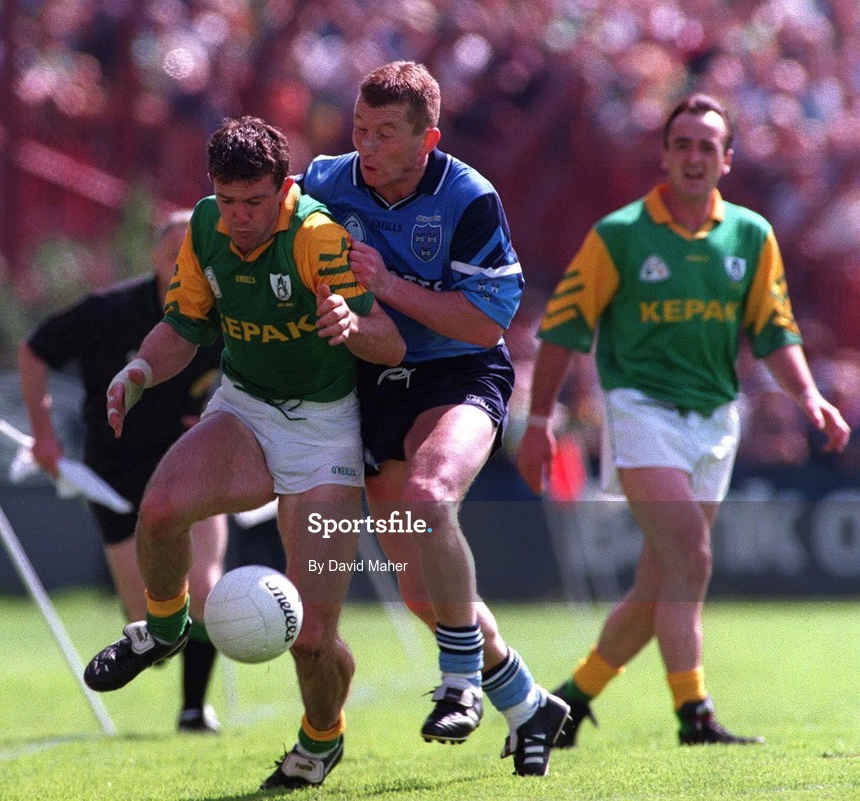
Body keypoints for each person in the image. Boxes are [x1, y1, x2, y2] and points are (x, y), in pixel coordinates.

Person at [516, 93, 851, 747]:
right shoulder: (619, 234)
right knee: (689, 556)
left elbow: (775, 330)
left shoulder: (750, 235)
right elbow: (562, 331)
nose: (695, 156)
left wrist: (810, 396)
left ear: (726, 160)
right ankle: (694, 712)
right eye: (683, 144)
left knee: (662, 578)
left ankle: (567, 700)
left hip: (717, 418)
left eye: (708, 146)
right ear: (665, 156)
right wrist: (538, 421)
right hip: (642, 412)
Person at [82, 116, 405, 790]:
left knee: (314, 638)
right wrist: (139, 370)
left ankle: (319, 741)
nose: (239, 218)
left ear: (283, 189)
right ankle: (165, 627)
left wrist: (350, 324)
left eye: (253, 202)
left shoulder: (318, 237)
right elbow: (182, 326)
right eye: (227, 201)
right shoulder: (204, 229)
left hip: (325, 432)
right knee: (162, 507)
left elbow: (391, 342)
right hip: (248, 406)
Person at [300, 60, 570, 777]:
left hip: (460, 372)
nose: (369, 144)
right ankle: (527, 701)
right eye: (361, 127)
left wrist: (386, 284)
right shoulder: (325, 182)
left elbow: (486, 325)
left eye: (387, 133)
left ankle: (459, 684)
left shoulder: (467, 197)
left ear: (429, 137)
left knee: (430, 497)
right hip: (372, 384)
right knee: (422, 591)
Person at [18, 211, 228, 734]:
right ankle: (158, 641)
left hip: (192, 456)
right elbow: (34, 349)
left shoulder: (230, 310)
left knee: (202, 591)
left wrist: (224, 410)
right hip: (115, 468)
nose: (188, 263)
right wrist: (44, 433)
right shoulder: (109, 311)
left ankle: (194, 709)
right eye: (177, 253)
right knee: (151, 620)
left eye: (197, 252)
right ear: (156, 259)